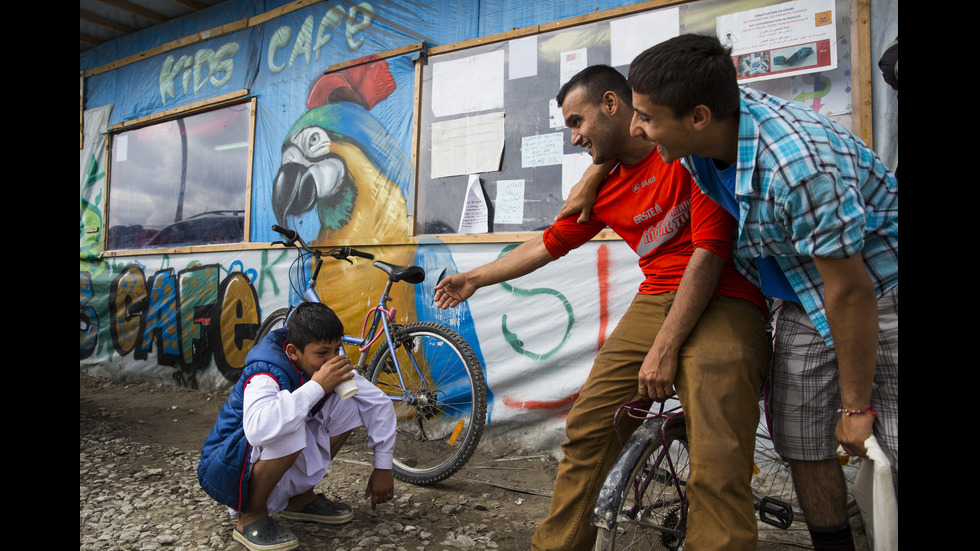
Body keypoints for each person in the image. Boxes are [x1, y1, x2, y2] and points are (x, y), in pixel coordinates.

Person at [565, 34, 898, 551]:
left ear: (698, 117)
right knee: (800, 440)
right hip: (796, 293)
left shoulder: (797, 169)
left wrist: (855, 409)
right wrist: (595, 172)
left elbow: (850, 294)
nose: (637, 126)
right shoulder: (705, 132)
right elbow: (621, 139)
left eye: (647, 117)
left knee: (887, 446)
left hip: (876, 289)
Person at [434, 65, 771, 551]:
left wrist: (666, 347)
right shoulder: (604, 185)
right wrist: (475, 278)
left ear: (613, 104)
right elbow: (546, 245)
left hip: (727, 294)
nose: (574, 138)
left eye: (577, 122)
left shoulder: (680, 144)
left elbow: (710, 251)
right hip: (656, 297)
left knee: (717, 445)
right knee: (590, 423)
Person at [197, 301, 397, 551]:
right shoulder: (266, 373)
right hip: (226, 465)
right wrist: (317, 387)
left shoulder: (322, 363)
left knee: (352, 404)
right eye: (322, 353)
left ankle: (298, 499)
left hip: (257, 453)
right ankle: (250, 517)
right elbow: (259, 430)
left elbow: (378, 403)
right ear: (293, 352)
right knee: (288, 428)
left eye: (336, 349)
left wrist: (383, 467)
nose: (331, 360)